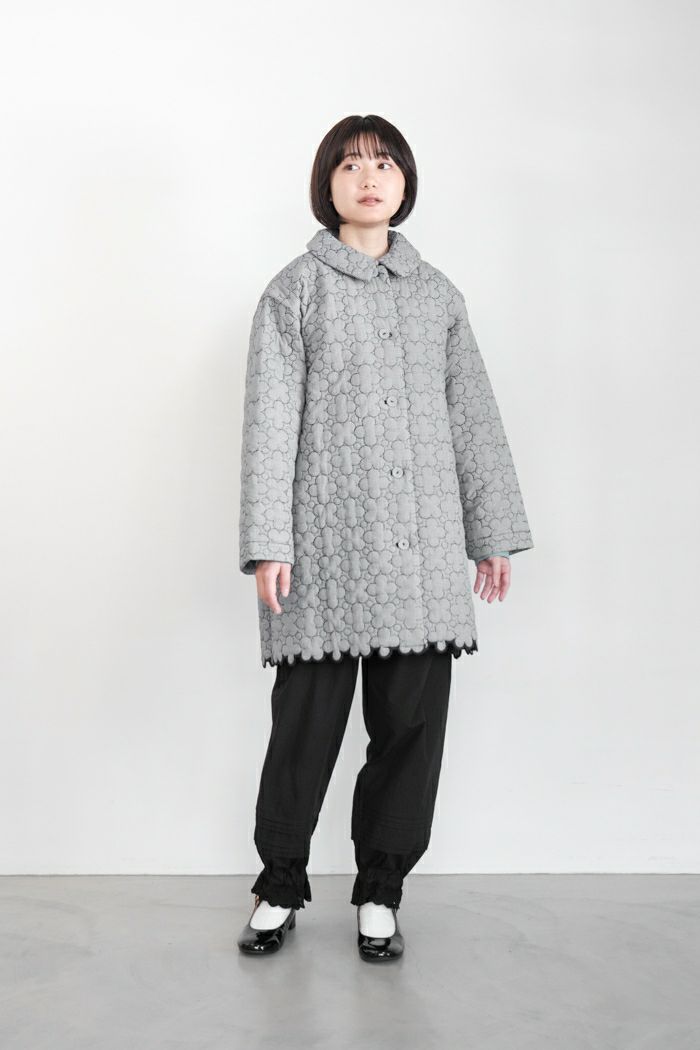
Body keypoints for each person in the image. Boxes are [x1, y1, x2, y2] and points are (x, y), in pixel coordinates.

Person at [236, 114, 534, 960]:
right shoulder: (294, 290)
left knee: (410, 730)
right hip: (325, 552)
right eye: (350, 165)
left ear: (405, 182)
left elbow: (472, 417)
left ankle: (381, 891)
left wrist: (490, 532)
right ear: (325, 183)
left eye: (384, 164)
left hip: (422, 550)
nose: (368, 178)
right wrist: (269, 541)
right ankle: (279, 885)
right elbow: (269, 423)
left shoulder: (438, 295)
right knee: (303, 734)